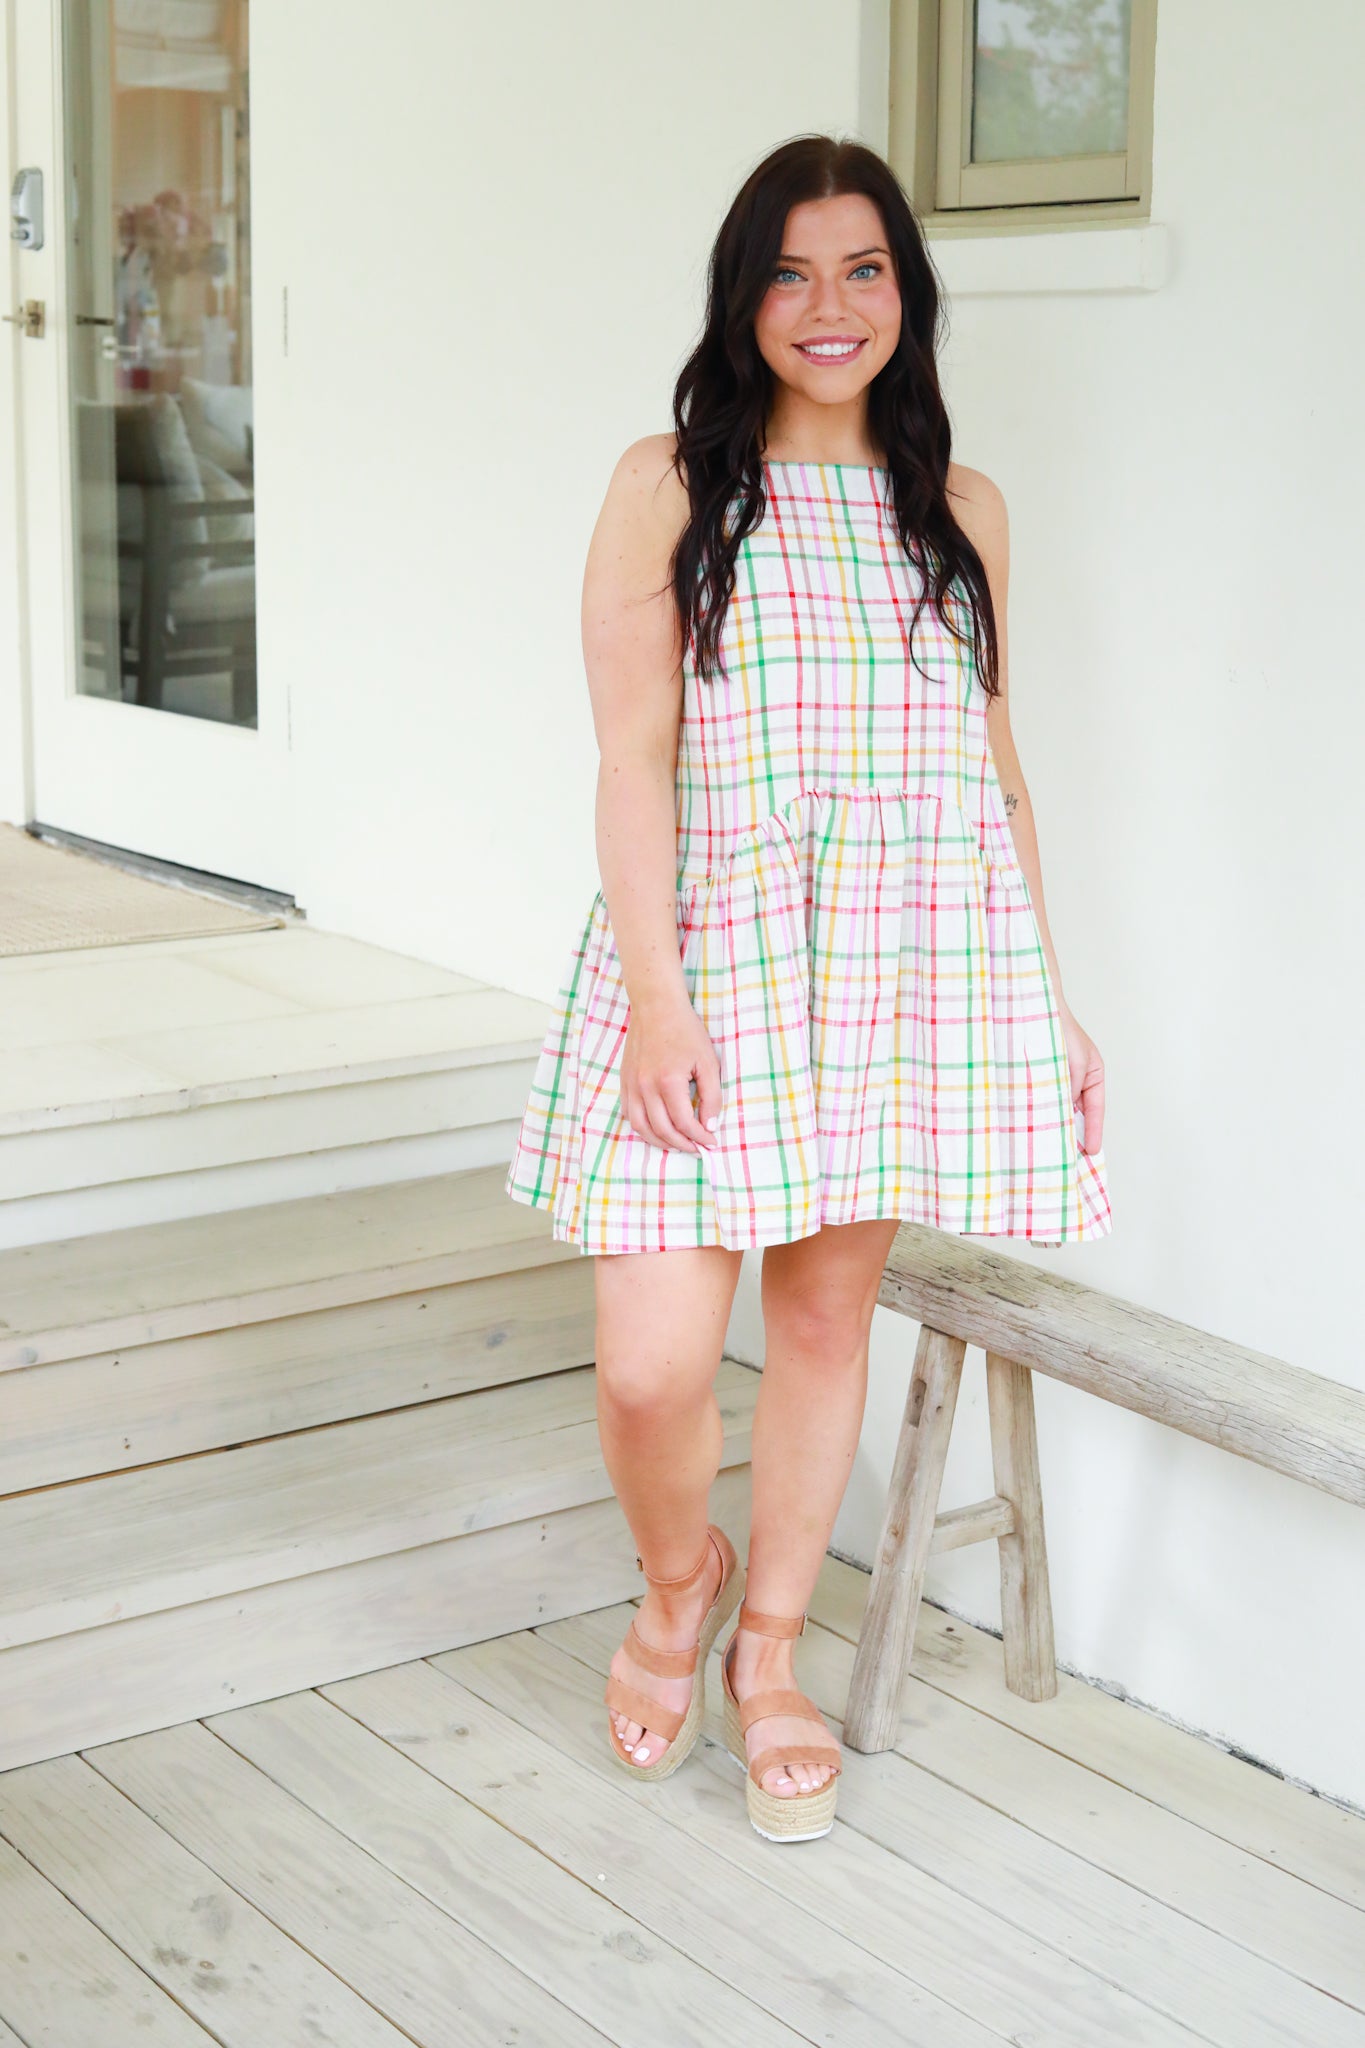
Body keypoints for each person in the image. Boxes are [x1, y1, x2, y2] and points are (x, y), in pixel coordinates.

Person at [505, 133, 1111, 1844]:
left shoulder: (962, 510)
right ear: (741, 293)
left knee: (827, 1318)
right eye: (788, 271)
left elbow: (992, 777)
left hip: (908, 973)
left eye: (862, 271)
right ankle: (675, 1584)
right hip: (712, 962)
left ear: (906, 294)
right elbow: (630, 763)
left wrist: (1046, 1001)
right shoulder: (669, 484)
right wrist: (655, 992)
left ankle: (769, 1653)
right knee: (650, 1361)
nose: (827, 306)